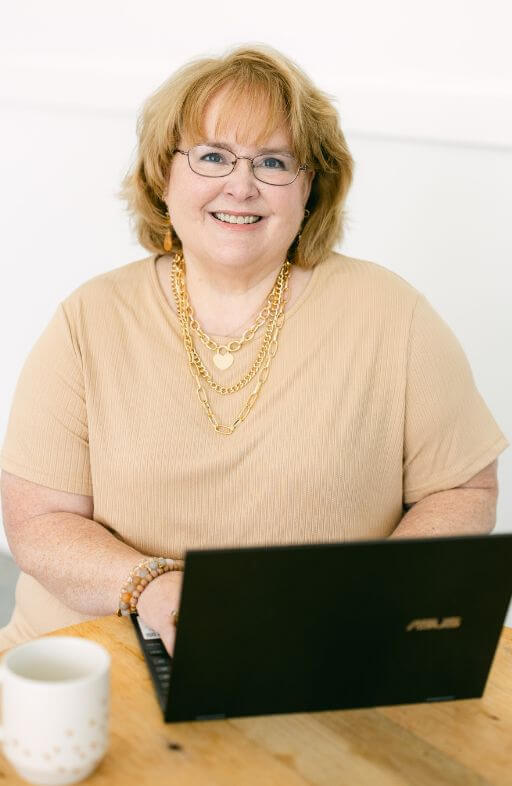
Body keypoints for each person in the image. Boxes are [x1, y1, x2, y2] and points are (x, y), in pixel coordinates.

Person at [0, 45, 508, 656]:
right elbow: (40, 522)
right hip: (95, 655)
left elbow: (459, 490)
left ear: (309, 186)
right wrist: (151, 587)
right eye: (213, 156)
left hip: (323, 654)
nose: (240, 186)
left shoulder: (392, 314)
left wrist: (375, 600)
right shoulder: (86, 322)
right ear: (164, 175)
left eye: (273, 161)